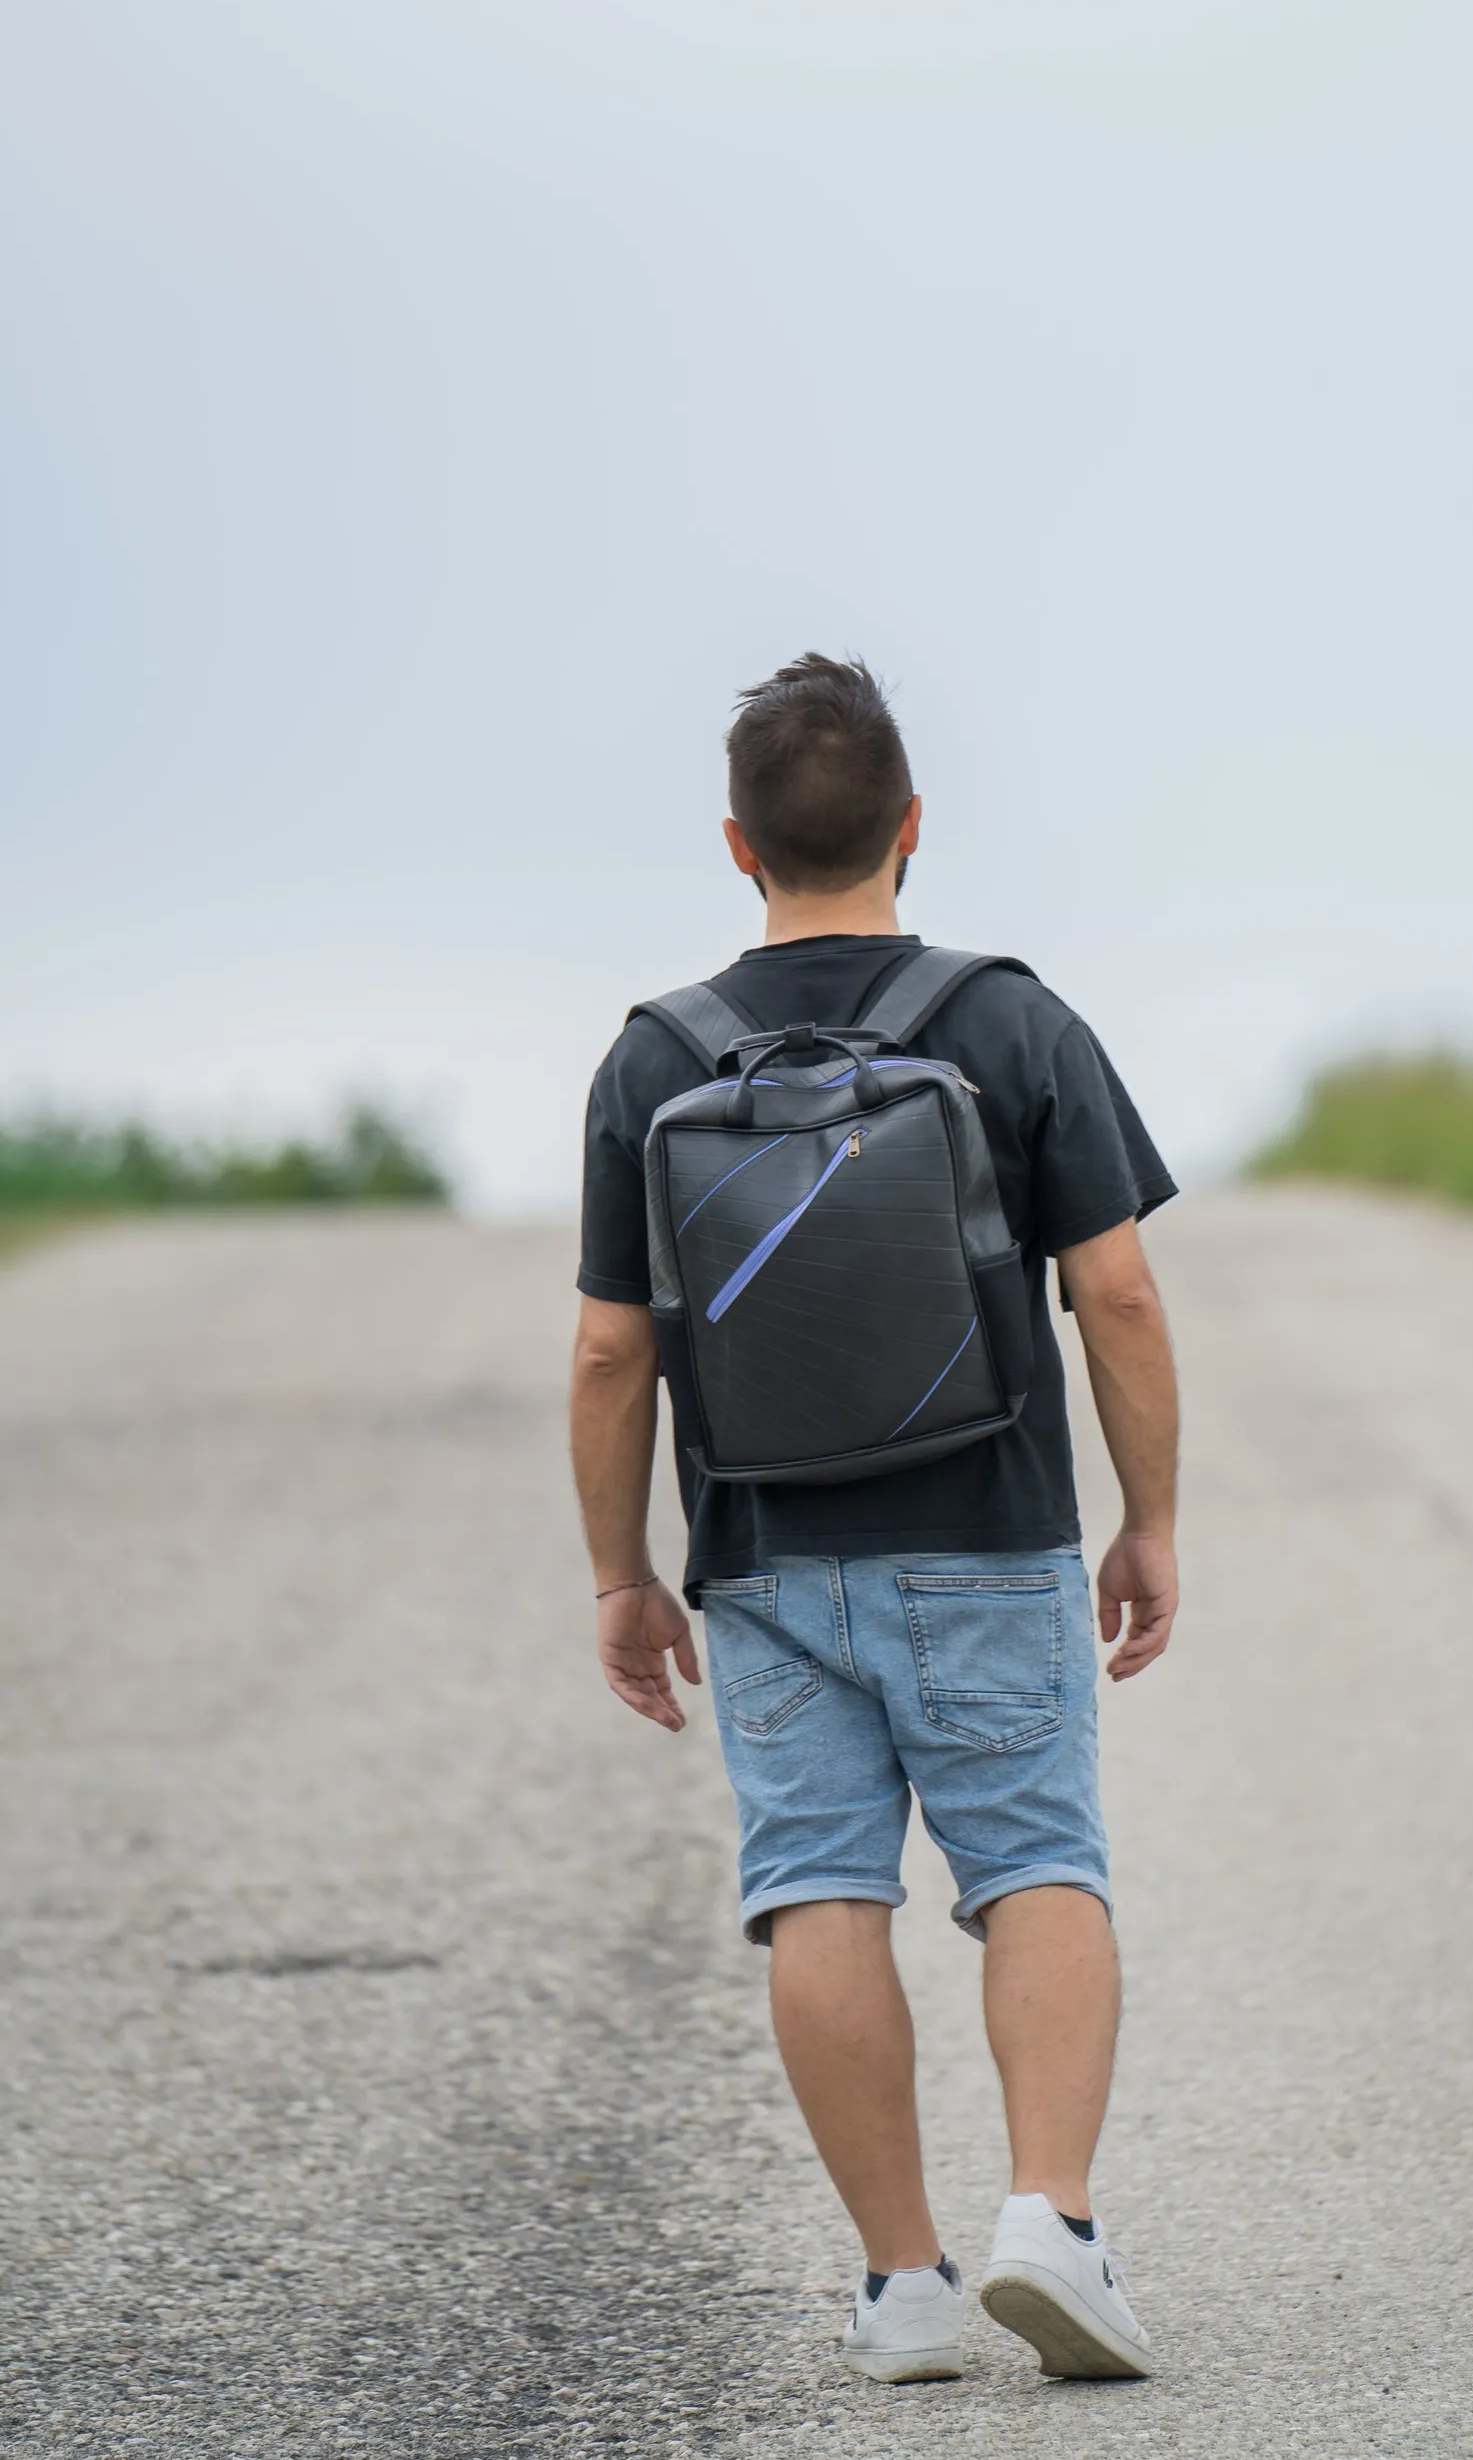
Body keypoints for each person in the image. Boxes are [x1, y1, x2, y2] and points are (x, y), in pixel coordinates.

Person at [568, 653, 1180, 2385]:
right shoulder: (1010, 1019)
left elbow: (616, 1350)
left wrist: (622, 1573)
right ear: (913, 828)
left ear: (737, 846)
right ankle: (1048, 2224)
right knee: (1036, 1859)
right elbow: (1118, 1299)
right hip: (989, 1531)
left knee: (820, 1887)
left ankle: (902, 2283)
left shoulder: (653, 1059)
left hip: (763, 1558)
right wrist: (1151, 1518)